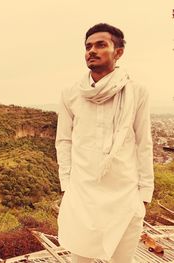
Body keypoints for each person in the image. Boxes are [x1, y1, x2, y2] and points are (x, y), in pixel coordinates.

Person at [55, 23, 154, 262]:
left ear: (118, 52)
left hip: (124, 194)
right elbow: (64, 141)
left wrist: (143, 195)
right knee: (81, 257)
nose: (92, 50)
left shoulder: (137, 92)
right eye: (88, 46)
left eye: (101, 45)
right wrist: (67, 185)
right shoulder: (71, 94)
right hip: (83, 193)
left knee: (122, 259)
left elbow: (144, 143)